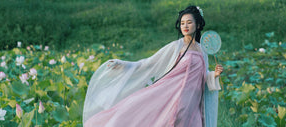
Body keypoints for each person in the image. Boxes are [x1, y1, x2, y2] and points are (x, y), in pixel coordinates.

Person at [83, 5, 223, 127]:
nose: (185, 26)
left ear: (198, 25)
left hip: (194, 99)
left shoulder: (202, 50)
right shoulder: (177, 46)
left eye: (189, 22)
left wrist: (214, 75)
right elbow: (150, 62)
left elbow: (202, 75)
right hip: (176, 93)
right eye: (182, 23)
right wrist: (124, 65)